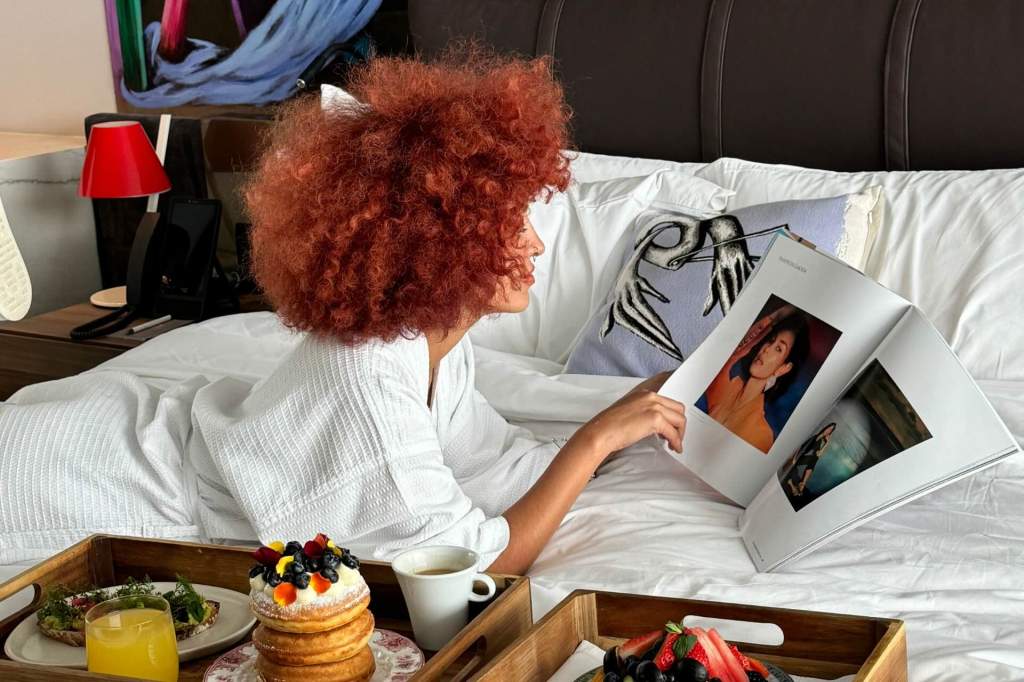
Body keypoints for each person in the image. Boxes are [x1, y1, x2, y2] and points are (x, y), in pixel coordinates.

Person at [194, 50, 686, 576]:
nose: (538, 245)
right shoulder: (368, 380)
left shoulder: (433, 351)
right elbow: (471, 568)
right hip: (131, 489)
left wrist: (629, 410)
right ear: (441, 241)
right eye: (515, 225)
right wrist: (598, 438)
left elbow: (501, 469)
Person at [702, 304, 809, 452]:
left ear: (784, 368)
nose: (766, 349)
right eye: (770, 340)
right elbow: (735, 353)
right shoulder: (726, 387)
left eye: (779, 349)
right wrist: (772, 318)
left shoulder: (762, 436)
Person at [779, 422, 837, 497]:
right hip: (797, 458)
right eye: (829, 428)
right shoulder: (816, 436)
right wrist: (794, 457)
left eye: (831, 430)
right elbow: (801, 446)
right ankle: (800, 483)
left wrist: (827, 443)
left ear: (831, 432)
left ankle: (801, 484)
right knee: (814, 458)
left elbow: (818, 454)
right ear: (826, 427)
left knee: (815, 458)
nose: (828, 430)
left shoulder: (821, 442)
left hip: (801, 462)